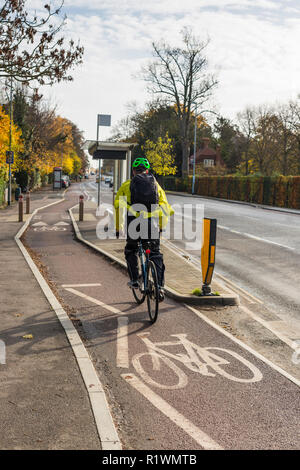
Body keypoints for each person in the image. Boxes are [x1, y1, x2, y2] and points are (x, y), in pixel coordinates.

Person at [114, 157, 174, 301]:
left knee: (131, 250)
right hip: (151, 224)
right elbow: (165, 207)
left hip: (133, 224)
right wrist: (160, 226)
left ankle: (135, 280)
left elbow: (117, 206)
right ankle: (159, 287)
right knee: (155, 254)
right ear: (147, 171)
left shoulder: (126, 185)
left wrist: (118, 227)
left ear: (133, 171)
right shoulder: (156, 185)